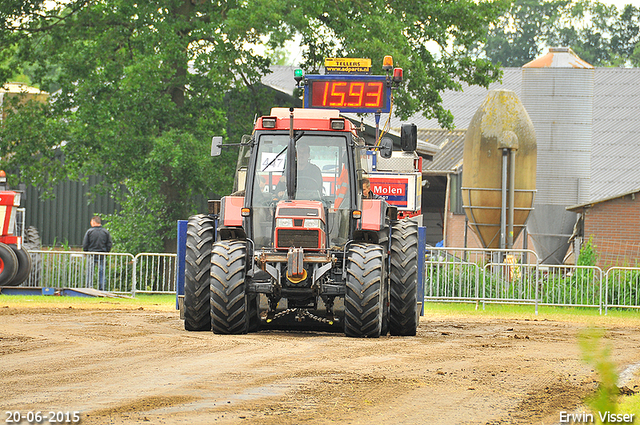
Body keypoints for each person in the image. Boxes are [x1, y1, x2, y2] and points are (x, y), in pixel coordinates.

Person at [83, 215, 112, 291]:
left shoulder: (89, 232)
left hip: (91, 255)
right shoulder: (105, 232)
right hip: (102, 255)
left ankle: (89, 288)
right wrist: (106, 252)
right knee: (102, 273)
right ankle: (102, 289)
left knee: (90, 272)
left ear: (93, 222)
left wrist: (86, 252)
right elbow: (109, 244)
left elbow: (85, 244)